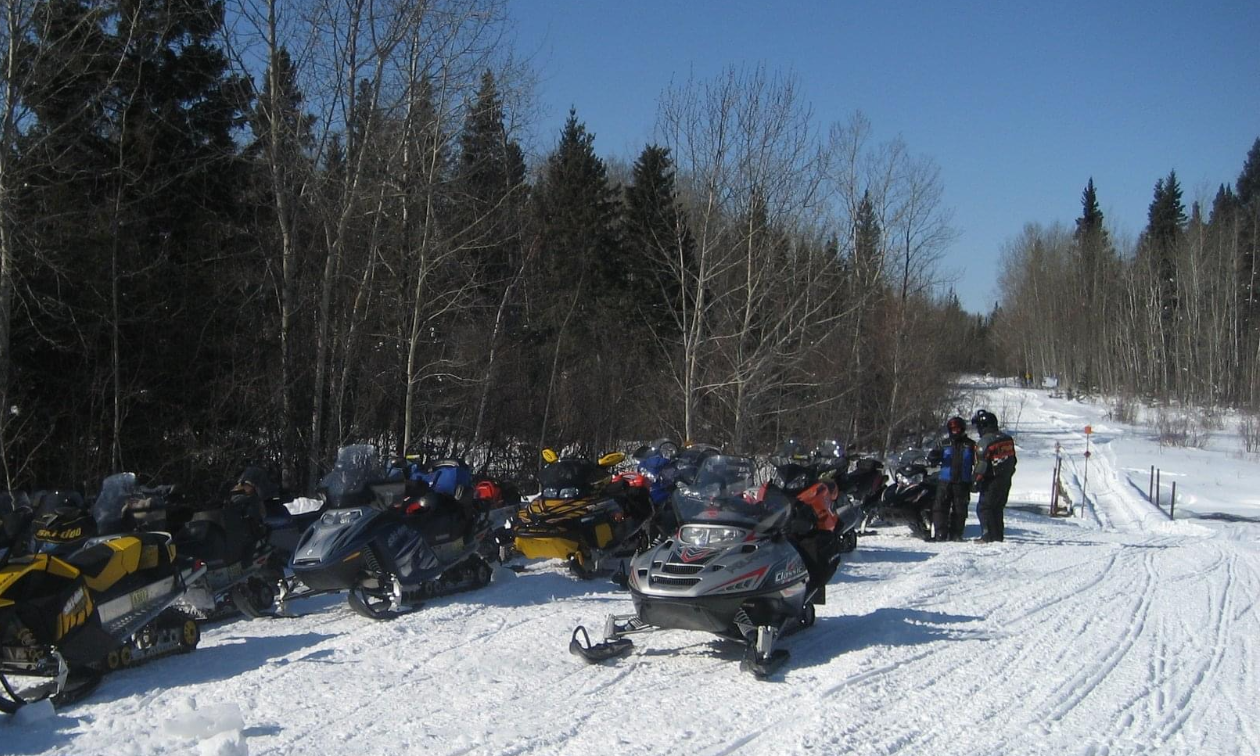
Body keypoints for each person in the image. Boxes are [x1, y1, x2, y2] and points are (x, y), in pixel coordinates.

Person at [927, 416, 976, 541]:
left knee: (960, 509)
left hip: (962, 482)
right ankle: (940, 533)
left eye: (958, 428)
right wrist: (933, 457)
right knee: (940, 508)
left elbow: (978, 462)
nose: (955, 431)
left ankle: (956, 534)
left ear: (962, 429)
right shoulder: (944, 443)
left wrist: (977, 478)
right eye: (953, 428)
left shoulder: (970, 445)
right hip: (945, 481)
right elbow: (932, 459)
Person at [972, 409, 1017, 542]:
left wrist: (975, 481)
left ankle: (987, 536)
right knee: (997, 508)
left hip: (991, 479)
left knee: (984, 508)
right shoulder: (1007, 439)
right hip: (1006, 479)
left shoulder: (985, 442)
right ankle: (998, 536)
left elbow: (982, 466)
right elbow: (1013, 461)